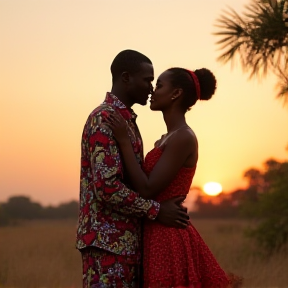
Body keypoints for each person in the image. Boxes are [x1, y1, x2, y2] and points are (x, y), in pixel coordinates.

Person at [106, 67, 243, 288]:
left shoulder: (183, 137)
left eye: (159, 85)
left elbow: (148, 189)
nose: (152, 90)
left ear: (176, 93)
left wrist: (123, 140)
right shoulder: (167, 138)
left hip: (167, 235)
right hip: (156, 229)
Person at [76, 50, 190, 288]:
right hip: (107, 246)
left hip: (126, 245)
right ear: (126, 77)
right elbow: (107, 188)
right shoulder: (104, 119)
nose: (151, 88)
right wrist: (157, 211)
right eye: (148, 80)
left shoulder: (125, 121)